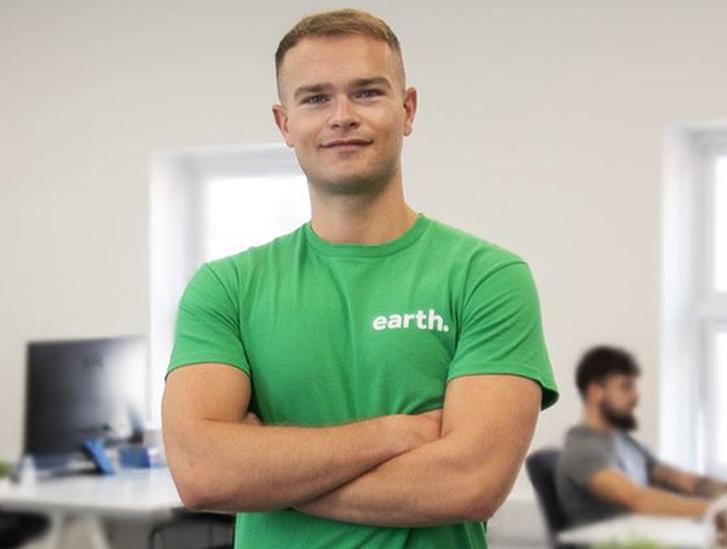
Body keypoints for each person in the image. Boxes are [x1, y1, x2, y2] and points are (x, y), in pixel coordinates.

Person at [161, 9, 559, 549]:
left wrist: (266, 472)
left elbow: (470, 483)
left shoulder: (486, 277)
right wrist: (396, 434)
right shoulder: (227, 288)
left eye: (367, 92)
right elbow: (202, 473)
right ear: (284, 123)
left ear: (408, 108)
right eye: (315, 98)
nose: (342, 116)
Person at [555, 346, 727, 527]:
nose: (636, 396)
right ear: (595, 392)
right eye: (625, 386)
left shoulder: (627, 444)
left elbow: (684, 482)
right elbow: (639, 500)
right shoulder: (582, 450)